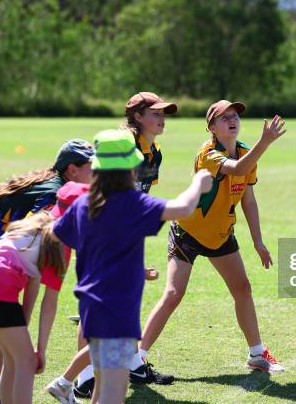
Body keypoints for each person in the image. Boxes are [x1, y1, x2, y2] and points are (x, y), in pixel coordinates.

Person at [53, 128, 213, 404]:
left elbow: (58, 233)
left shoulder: (84, 203)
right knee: (113, 394)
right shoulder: (132, 203)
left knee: (103, 386)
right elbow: (183, 209)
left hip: (90, 305)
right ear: (131, 168)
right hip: (117, 309)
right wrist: (199, 181)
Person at [138, 100, 287, 375]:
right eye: (224, 117)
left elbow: (248, 200)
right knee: (173, 294)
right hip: (188, 233)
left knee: (242, 288)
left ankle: (256, 353)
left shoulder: (244, 151)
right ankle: (137, 357)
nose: (232, 120)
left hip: (221, 234)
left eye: (235, 116)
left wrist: (258, 241)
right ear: (212, 128)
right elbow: (238, 169)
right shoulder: (209, 154)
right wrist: (265, 142)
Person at [46, 93, 178, 404]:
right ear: (136, 117)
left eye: (164, 113)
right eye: (154, 113)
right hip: (96, 229)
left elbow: (135, 203)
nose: (161, 118)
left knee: (118, 308)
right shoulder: (124, 143)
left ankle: (131, 364)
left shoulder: (153, 152)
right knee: (93, 311)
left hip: (121, 234)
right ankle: (81, 379)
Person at [0, 139, 93, 403]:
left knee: (6, 334)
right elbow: (32, 254)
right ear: (72, 170)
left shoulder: (61, 193)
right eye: (93, 168)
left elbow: (34, 270)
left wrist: (24, 322)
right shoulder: (55, 197)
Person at [0, 212, 68, 404]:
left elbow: (30, 292)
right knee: (26, 362)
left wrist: (23, 330)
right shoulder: (57, 245)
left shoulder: (33, 225)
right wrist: (40, 350)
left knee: (12, 359)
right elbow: (47, 304)